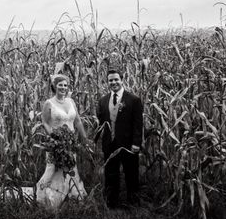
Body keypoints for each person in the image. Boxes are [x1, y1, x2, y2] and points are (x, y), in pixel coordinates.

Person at [35, 73, 88, 208]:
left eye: (65, 85)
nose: (63, 87)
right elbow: (45, 122)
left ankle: (72, 198)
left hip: (70, 144)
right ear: (54, 86)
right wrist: (55, 136)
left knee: (71, 169)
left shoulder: (71, 102)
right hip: (55, 144)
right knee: (52, 169)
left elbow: (77, 121)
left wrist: (84, 138)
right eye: (60, 85)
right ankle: (43, 199)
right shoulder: (49, 103)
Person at [96, 65, 144, 208]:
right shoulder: (103, 100)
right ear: (107, 82)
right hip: (109, 144)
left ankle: (133, 203)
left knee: (131, 174)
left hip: (128, 144)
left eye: (116, 79)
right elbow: (102, 122)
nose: (113, 83)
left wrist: (136, 143)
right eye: (110, 80)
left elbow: (138, 124)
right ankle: (111, 203)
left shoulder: (133, 100)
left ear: (122, 80)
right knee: (111, 174)